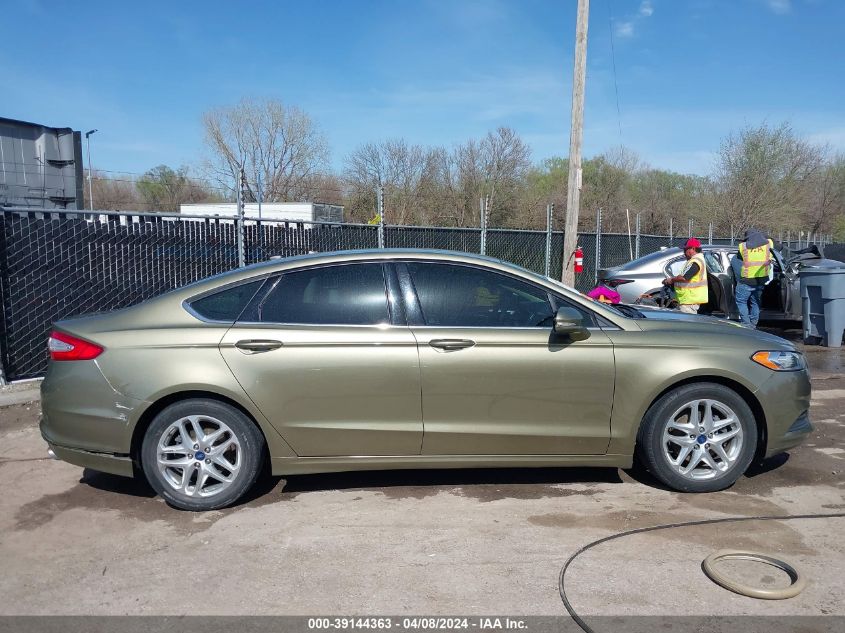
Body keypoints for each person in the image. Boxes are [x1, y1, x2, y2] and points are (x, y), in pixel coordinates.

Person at [734, 228, 774, 328]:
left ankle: (746, 324)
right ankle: (753, 324)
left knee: (741, 301)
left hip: (747, 280)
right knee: (755, 302)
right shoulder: (769, 243)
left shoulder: (742, 246)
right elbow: (778, 248)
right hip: (761, 279)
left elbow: (738, 259)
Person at [663, 238, 708, 314]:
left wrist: (671, 280)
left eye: (685, 250)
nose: (684, 252)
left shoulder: (695, 261)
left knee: (687, 324)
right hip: (688, 300)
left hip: (689, 301)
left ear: (693, 249)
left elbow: (684, 278)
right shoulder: (695, 260)